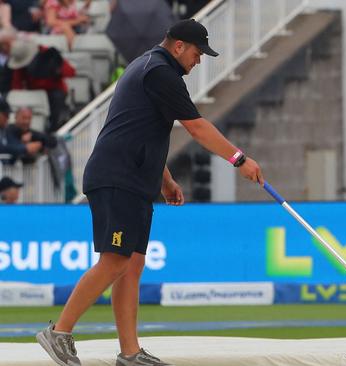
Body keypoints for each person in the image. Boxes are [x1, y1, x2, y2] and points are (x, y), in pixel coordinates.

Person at [36, 19, 264, 366]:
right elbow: (197, 127)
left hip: (133, 179)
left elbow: (138, 128)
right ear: (179, 47)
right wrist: (238, 159)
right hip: (118, 178)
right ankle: (59, 332)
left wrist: (164, 179)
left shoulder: (147, 65)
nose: (199, 60)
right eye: (197, 53)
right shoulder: (161, 72)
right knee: (115, 260)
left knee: (132, 264)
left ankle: (130, 353)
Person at [2, 38, 76, 132]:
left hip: (54, 93)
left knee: (57, 99)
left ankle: (55, 129)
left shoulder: (49, 54)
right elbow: (17, 84)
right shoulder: (20, 63)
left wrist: (56, 69)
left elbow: (71, 72)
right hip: (34, 94)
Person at [0, 97, 41, 163]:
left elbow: (12, 144)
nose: (7, 117)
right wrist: (25, 148)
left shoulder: (5, 129)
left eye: (8, 114)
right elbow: (2, 148)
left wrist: (23, 144)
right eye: (5, 114)